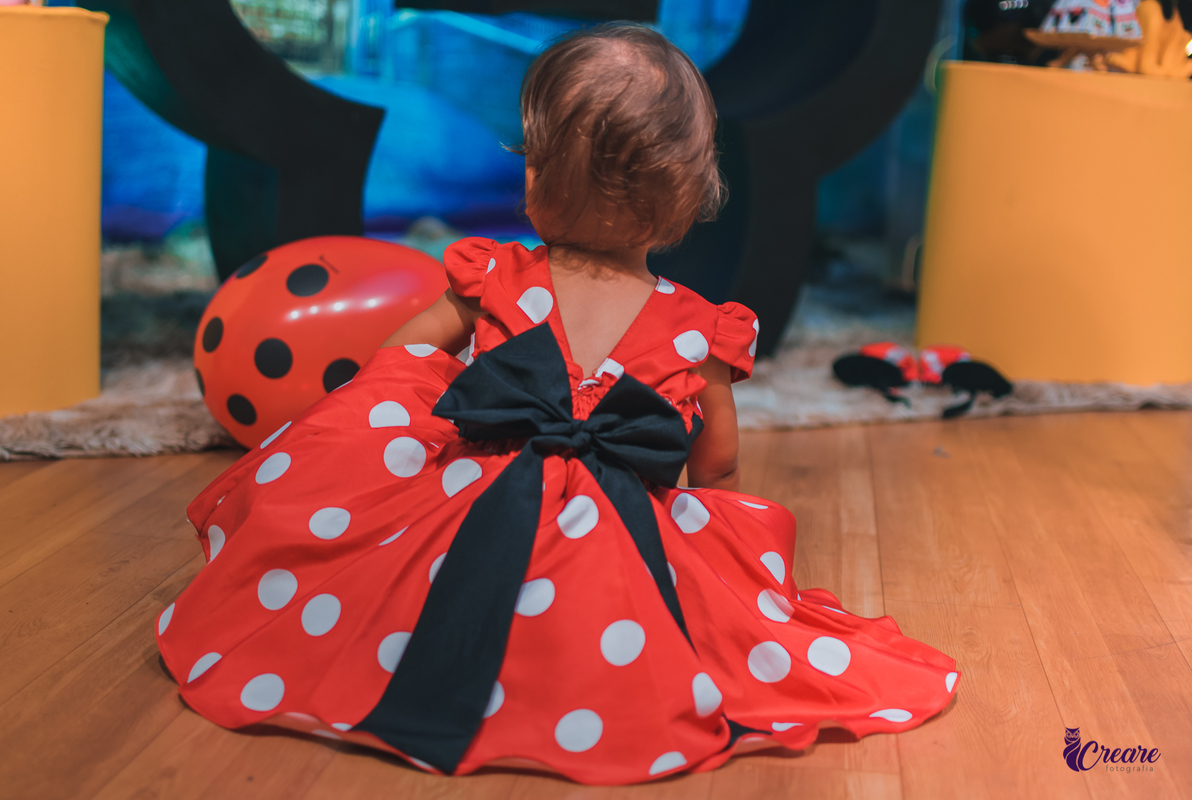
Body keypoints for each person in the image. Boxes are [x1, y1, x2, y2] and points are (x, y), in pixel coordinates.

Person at [157, 23, 959, 786]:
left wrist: (439, 410)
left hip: (466, 510)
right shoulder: (699, 331)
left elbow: (397, 357)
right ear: (690, 191)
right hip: (619, 542)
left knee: (389, 577)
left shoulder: (495, 279)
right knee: (672, 614)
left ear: (535, 176)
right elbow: (716, 463)